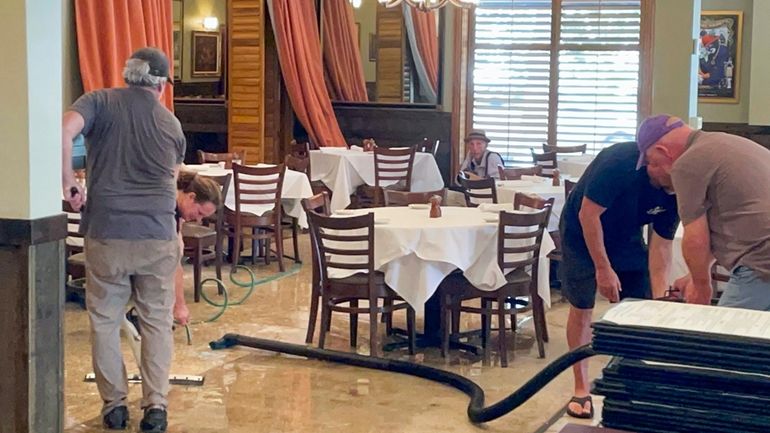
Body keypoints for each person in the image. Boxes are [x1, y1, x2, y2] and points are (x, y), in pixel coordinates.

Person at [62, 47, 184, 433]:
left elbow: (64, 130)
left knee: (104, 321)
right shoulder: (171, 125)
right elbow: (172, 178)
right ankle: (156, 407)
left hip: (107, 232)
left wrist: (68, 183)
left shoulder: (99, 101)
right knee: (156, 323)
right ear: (162, 85)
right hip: (156, 235)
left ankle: (114, 407)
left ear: (127, 75)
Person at [559, 139, 682, 418]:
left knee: (640, 305)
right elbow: (588, 215)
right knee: (583, 306)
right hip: (581, 232)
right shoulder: (620, 162)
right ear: (656, 162)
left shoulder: (676, 190)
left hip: (626, 235)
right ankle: (580, 388)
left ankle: (632, 380)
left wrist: (660, 300)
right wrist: (603, 269)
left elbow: (661, 247)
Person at [639, 114, 770, 309]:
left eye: (651, 161)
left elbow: (696, 238)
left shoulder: (687, 163)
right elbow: (741, 221)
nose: (652, 169)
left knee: (723, 335)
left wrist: (701, 286)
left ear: (662, 150)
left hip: (761, 259)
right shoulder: (728, 142)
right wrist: (694, 274)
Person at [172, 171, 222, 326]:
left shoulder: (176, 206)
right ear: (191, 197)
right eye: (199, 213)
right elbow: (173, 265)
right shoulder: (166, 208)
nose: (198, 219)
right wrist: (180, 306)